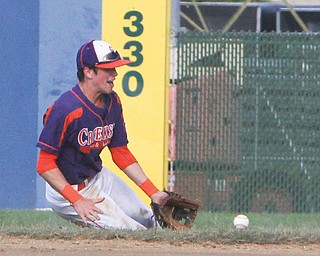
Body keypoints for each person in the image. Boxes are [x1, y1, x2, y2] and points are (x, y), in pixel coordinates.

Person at [36, 39, 168, 230]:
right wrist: (77, 200)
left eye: (115, 68)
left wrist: (153, 192)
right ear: (88, 71)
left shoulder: (113, 101)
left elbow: (120, 152)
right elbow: (44, 164)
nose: (115, 74)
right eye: (108, 69)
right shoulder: (65, 109)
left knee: (151, 221)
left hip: (98, 177)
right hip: (69, 191)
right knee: (134, 233)